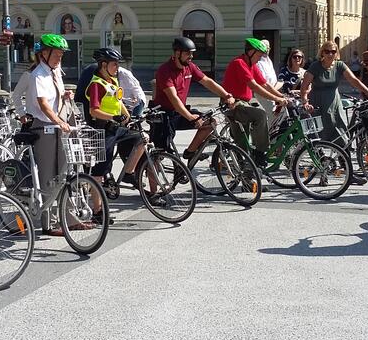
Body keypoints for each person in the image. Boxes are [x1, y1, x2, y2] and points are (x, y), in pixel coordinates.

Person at [151, 37, 234, 157]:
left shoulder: (190, 67)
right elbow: (174, 99)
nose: (191, 56)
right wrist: (191, 117)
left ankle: (190, 152)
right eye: (187, 53)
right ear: (177, 53)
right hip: (163, 115)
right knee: (160, 155)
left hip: (179, 113)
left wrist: (226, 95)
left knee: (210, 123)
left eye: (192, 53)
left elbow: (207, 81)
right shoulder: (164, 71)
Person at [27, 33, 77, 235]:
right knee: (49, 176)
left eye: (61, 55)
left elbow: (53, 99)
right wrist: (59, 121)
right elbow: (43, 104)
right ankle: (48, 224)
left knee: (63, 173)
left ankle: (66, 219)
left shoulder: (55, 72)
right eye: (56, 54)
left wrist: (65, 95)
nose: (59, 58)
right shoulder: (38, 74)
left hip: (57, 127)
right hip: (44, 127)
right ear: (44, 53)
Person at [85, 48, 146, 191]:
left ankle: (128, 173)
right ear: (104, 65)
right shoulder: (96, 84)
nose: (118, 67)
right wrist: (113, 117)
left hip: (116, 128)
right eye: (115, 64)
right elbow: (93, 111)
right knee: (99, 172)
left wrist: (130, 119)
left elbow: (118, 103)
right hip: (103, 130)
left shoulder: (112, 81)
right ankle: (98, 210)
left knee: (142, 139)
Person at [221, 38, 289, 167]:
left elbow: (264, 84)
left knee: (244, 146)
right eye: (258, 55)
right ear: (250, 52)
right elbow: (255, 87)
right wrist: (277, 99)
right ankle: (260, 152)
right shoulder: (239, 63)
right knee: (260, 115)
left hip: (243, 104)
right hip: (233, 104)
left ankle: (252, 175)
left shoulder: (251, 65)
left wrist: (282, 96)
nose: (259, 59)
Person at [300, 41, 368, 148]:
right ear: (322, 53)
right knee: (316, 137)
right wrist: (305, 101)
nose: (330, 54)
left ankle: (343, 161)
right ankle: (319, 160)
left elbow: (354, 80)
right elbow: (304, 86)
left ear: (336, 53)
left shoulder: (340, 65)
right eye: (327, 51)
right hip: (317, 103)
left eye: (333, 51)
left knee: (341, 132)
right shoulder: (315, 66)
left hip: (334, 104)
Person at [254, 39, 281, 115]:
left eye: (268, 48)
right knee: (273, 112)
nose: (266, 50)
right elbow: (263, 82)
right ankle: (268, 127)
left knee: (278, 111)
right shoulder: (258, 61)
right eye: (264, 47)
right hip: (263, 92)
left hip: (272, 90)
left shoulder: (268, 60)